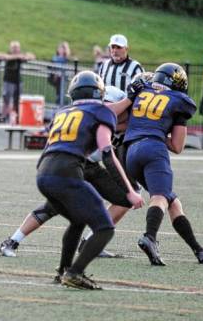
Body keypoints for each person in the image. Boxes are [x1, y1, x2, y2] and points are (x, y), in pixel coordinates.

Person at [0, 85, 137, 257]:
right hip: (73, 165)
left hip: (89, 167)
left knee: (124, 198)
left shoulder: (123, 121)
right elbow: (108, 117)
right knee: (53, 207)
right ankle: (13, 240)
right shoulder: (97, 114)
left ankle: (90, 242)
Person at [35, 71, 143, 289]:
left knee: (78, 220)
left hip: (43, 173)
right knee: (104, 227)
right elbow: (107, 153)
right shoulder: (100, 111)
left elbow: (48, 147)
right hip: (67, 172)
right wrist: (129, 190)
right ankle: (74, 273)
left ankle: (64, 270)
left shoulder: (63, 112)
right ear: (99, 92)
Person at [112, 63, 203, 266]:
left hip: (130, 152)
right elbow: (177, 146)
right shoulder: (179, 102)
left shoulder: (142, 91)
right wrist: (161, 133)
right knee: (160, 197)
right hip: (153, 149)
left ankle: (199, 251)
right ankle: (149, 237)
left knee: (172, 201)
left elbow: (126, 120)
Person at [1, 41, 35, 124]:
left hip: (18, 81)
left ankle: (15, 118)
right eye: (14, 47)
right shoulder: (9, 55)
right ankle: (4, 118)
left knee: (17, 101)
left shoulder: (20, 57)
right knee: (6, 100)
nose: (15, 49)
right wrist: (18, 56)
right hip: (8, 81)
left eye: (17, 47)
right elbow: (6, 57)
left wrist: (25, 56)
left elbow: (32, 56)